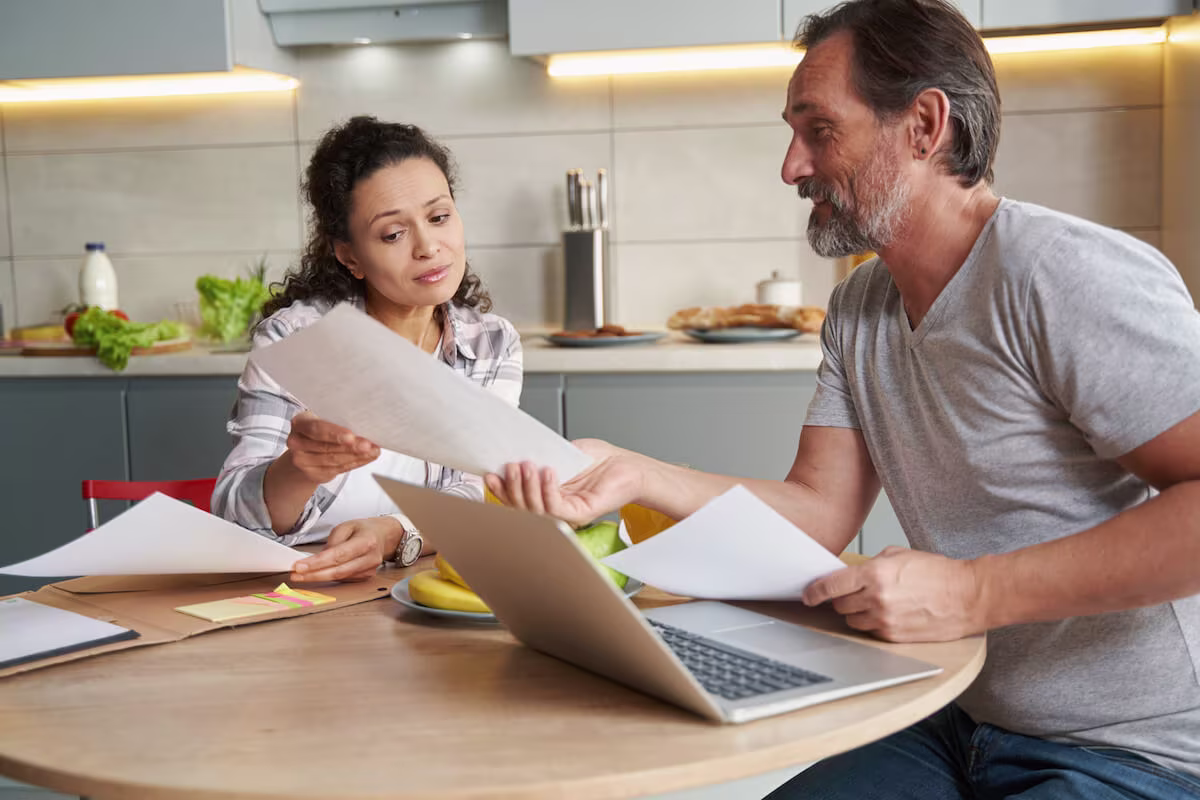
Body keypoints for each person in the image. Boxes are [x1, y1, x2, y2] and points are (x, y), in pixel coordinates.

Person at [485, 1, 1200, 797]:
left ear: (925, 126)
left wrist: (973, 591)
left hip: (1135, 751)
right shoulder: (863, 305)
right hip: (954, 715)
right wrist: (633, 470)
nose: (791, 166)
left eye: (818, 130)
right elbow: (819, 511)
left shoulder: (1062, 275)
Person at [214, 116, 522, 584]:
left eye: (439, 218)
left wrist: (396, 533)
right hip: (299, 591)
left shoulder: (492, 343)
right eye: (393, 234)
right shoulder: (294, 340)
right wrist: (297, 469)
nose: (428, 247)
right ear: (349, 255)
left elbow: (480, 491)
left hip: (419, 585)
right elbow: (233, 514)